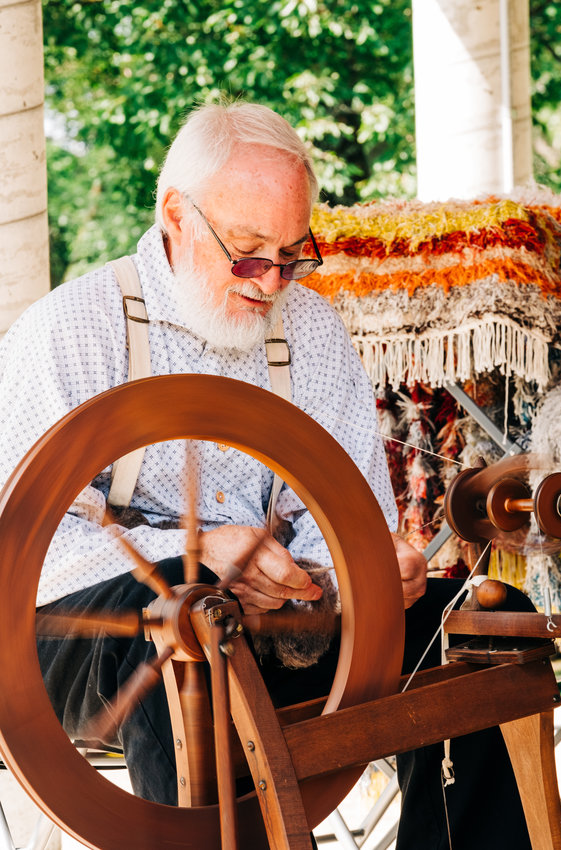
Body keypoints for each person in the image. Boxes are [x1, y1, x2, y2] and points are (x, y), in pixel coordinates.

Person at [0, 101, 531, 848]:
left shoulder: (311, 331)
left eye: (292, 254)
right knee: (186, 619)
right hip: (80, 642)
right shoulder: (71, 330)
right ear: (176, 217)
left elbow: (343, 511)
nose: (270, 280)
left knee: (474, 628)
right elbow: (25, 550)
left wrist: (364, 572)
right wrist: (195, 555)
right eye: (247, 251)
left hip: (274, 630)